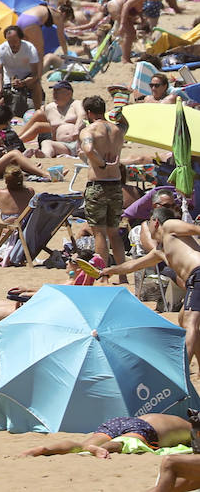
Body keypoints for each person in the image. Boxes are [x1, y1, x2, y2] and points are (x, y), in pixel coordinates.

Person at [102, 218, 200, 377]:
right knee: (184, 319)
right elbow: (134, 265)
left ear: (155, 222)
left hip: (198, 273)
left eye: (146, 229)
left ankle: (181, 372)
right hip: (193, 281)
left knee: (190, 323)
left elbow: (196, 229)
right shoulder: (160, 251)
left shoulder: (169, 226)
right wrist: (111, 270)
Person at [78, 94, 127, 274]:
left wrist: (101, 163)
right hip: (115, 184)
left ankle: (103, 275)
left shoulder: (89, 131)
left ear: (89, 112)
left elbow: (89, 149)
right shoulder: (118, 130)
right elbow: (125, 123)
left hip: (98, 184)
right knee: (114, 233)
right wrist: (119, 111)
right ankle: (122, 276)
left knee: (99, 233)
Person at [20, 413, 196, 457]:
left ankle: (43, 449)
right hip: (145, 429)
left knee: (81, 445)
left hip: (122, 420)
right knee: (125, 444)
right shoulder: (193, 429)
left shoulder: (177, 419)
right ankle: (98, 449)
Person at [0, 25, 44, 111]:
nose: (12, 44)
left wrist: (24, 82)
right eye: (9, 41)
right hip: (9, 79)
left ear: (20, 38)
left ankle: (38, 109)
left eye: (15, 41)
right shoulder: (1, 49)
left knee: (36, 84)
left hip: (27, 77)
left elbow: (36, 74)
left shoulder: (29, 48)